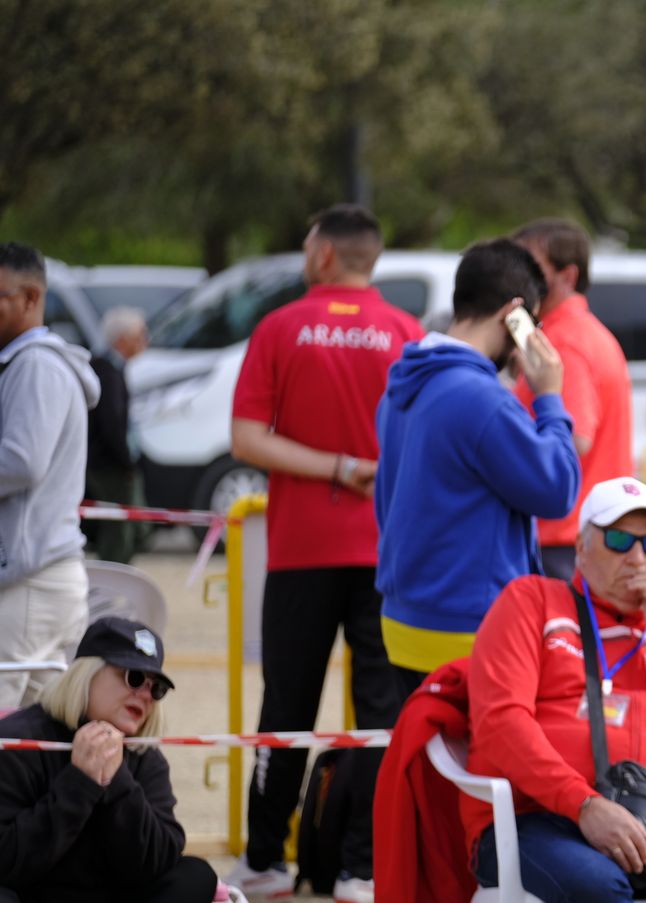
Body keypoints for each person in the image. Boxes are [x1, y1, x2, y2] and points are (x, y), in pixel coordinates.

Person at [226, 204, 422, 902]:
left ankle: (265, 859)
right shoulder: (407, 333)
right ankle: (361, 868)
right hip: (386, 551)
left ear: (325, 257)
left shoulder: (279, 327)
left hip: (302, 551)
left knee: (286, 706)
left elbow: (247, 440)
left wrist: (335, 467)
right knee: (381, 714)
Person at [465, 477, 646, 902]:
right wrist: (583, 805)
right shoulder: (531, 602)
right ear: (582, 548)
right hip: (532, 815)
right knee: (598, 888)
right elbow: (500, 722)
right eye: (621, 539)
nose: (639, 557)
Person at [375, 238, 580, 687]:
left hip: (405, 615)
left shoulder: (402, 384)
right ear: (515, 314)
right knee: (484, 759)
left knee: (427, 756)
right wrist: (549, 397)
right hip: (470, 623)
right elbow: (558, 488)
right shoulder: (482, 399)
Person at [0, 616, 217, 902]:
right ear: (87, 674)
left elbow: (157, 863)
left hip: (113, 894)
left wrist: (118, 783)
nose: (145, 695)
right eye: (134, 678)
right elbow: (7, 862)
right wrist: (79, 784)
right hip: (35, 893)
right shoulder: (20, 740)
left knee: (195, 874)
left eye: (156, 689)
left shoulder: (145, 756)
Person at [0, 242, 99, 709]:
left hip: (29, 580)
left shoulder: (35, 364)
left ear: (31, 298)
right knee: (42, 739)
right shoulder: (36, 364)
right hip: (45, 574)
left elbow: (21, 461)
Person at [512, 219, 633, 582]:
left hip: (563, 537)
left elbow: (575, 437)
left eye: (531, 265)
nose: (519, 276)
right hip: (577, 532)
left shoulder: (565, 341)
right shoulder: (579, 333)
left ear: (567, 275)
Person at [85, 306, 149, 564]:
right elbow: (112, 425)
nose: (145, 341)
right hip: (108, 465)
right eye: (140, 335)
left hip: (104, 461)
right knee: (118, 530)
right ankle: (113, 583)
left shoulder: (107, 369)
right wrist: (125, 462)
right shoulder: (107, 372)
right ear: (122, 339)